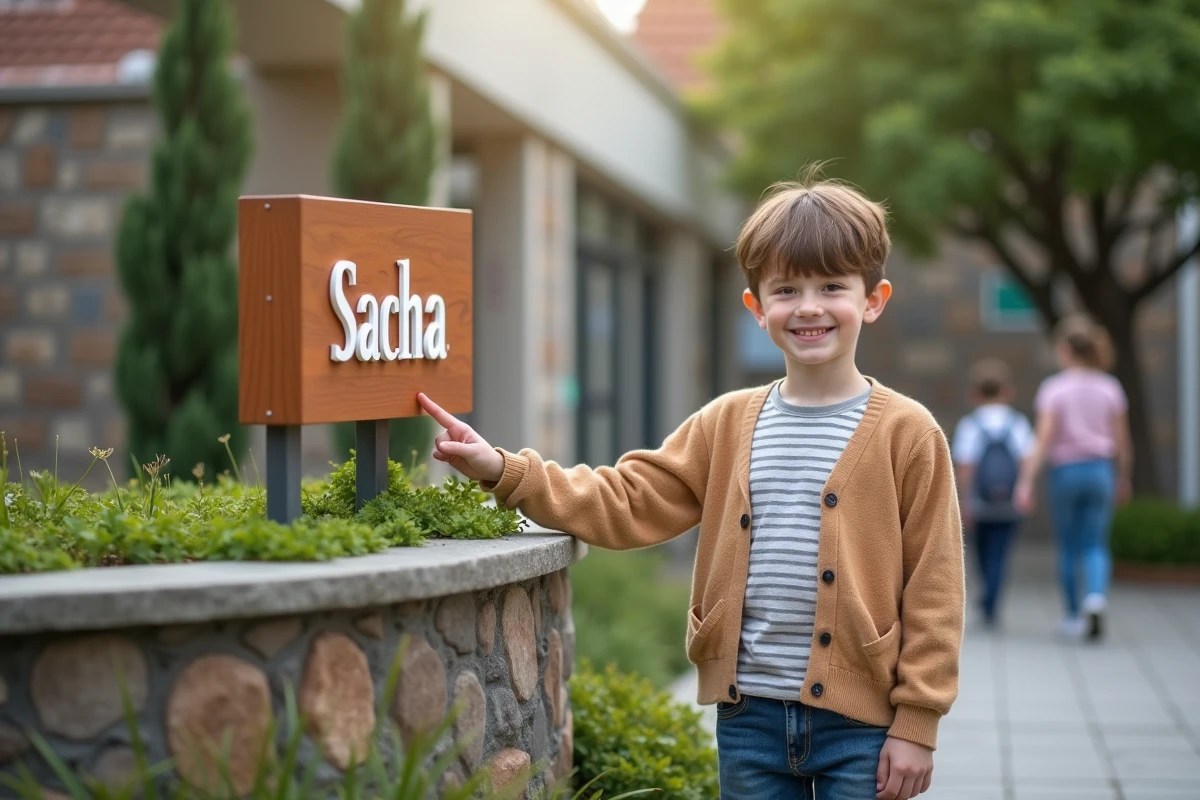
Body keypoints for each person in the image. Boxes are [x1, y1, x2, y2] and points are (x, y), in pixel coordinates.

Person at [418, 176, 964, 800]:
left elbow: (936, 586)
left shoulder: (908, 433)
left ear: (874, 299)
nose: (809, 306)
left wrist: (917, 722)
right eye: (786, 290)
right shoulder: (726, 423)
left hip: (864, 727)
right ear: (757, 309)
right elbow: (627, 498)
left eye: (832, 287)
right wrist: (505, 471)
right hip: (748, 717)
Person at [1015, 315, 1132, 642]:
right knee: (1095, 542)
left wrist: (1025, 482)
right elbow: (1123, 442)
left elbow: (1042, 440)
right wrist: (1123, 478)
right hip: (1100, 470)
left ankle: (1071, 616)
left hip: (1066, 472)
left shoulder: (1055, 389)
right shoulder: (1111, 388)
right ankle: (1095, 597)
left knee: (1067, 546)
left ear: (1065, 350)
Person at [951, 359, 1034, 629]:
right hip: (1010, 500)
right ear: (1006, 391)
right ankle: (992, 602)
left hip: (980, 502)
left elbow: (965, 468)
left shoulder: (970, 425)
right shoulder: (1017, 422)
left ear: (975, 393)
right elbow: (1026, 462)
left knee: (981, 552)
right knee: (1001, 551)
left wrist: (964, 502)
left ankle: (986, 598)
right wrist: (1025, 490)